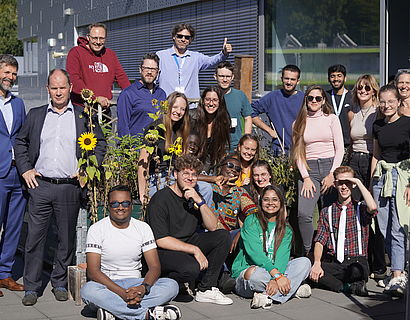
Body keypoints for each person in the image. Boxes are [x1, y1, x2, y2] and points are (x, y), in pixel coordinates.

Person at [14, 69, 107, 306]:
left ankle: (59, 283)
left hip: (69, 187)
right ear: (48, 89)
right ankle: (32, 287)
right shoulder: (35, 115)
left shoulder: (82, 115)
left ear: (70, 87)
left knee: (66, 239)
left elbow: (100, 144)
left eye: (62, 87)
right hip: (40, 186)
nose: (58, 92)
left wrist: (88, 169)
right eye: (54, 88)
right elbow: (20, 142)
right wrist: (25, 169)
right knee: (35, 238)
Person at [80, 185, 181, 320]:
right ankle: (145, 314)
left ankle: (114, 311)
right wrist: (122, 293)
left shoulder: (143, 228)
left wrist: (143, 288)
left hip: (136, 282)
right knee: (88, 291)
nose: (120, 207)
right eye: (115, 203)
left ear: (131, 205)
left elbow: (155, 267)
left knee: (171, 285)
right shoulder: (96, 229)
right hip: (108, 285)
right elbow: (93, 271)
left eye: (125, 203)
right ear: (108, 206)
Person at [146, 154, 233, 305]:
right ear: (175, 174)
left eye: (194, 174)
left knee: (223, 236)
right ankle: (165, 282)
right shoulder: (160, 199)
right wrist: (194, 250)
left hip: (187, 241)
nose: (190, 178)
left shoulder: (194, 196)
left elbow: (212, 226)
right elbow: (161, 240)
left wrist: (200, 202)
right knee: (191, 269)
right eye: (185, 173)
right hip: (164, 250)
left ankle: (206, 289)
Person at [232, 185, 311, 308]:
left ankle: (265, 295)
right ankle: (291, 290)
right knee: (256, 275)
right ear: (260, 202)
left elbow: (282, 258)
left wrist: (275, 279)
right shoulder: (251, 221)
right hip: (252, 271)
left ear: (281, 203)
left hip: (275, 272)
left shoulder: (286, 229)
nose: (270, 203)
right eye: (266, 199)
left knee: (304, 262)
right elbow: (255, 254)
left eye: (275, 199)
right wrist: (278, 276)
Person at [291, 85, 344, 255]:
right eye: (310, 98)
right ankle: (308, 252)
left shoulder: (332, 119)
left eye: (318, 98)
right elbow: (298, 152)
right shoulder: (298, 122)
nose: (314, 101)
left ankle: (329, 251)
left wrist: (332, 174)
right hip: (309, 169)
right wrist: (305, 177)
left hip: (330, 167)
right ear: (306, 100)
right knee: (304, 214)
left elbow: (340, 149)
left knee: (329, 213)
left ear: (323, 101)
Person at [309, 166, 378, 296]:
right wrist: (317, 263)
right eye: (341, 183)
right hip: (336, 262)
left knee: (355, 271)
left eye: (348, 182)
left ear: (353, 184)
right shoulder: (327, 211)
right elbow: (319, 240)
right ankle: (348, 287)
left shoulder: (361, 208)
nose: (344, 186)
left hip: (356, 262)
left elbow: (373, 207)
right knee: (310, 268)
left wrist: (358, 182)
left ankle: (332, 282)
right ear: (335, 184)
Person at [371, 84, 410, 296]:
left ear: (398, 102)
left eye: (390, 101)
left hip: (402, 177)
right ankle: (398, 268)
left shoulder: (407, 124)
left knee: (397, 228)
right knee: (383, 227)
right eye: (383, 101)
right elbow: (376, 155)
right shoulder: (377, 125)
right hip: (381, 177)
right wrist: (371, 183)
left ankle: (397, 275)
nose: (386, 105)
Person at [347, 75, 386, 279]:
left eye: (367, 88)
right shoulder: (353, 114)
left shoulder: (378, 112)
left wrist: (372, 175)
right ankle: (359, 261)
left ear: (373, 91)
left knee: (373, 211)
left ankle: (378, 263)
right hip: (355, 161)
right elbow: (352, 144)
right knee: (356, 211)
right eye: (360, 88)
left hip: (372, 160)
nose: (363, 91)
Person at [0, 54, 26, 297]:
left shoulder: (18, 104)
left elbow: (21, 136)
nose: (10, 77)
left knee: (14, 227)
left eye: (13, 73)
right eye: (6, 72)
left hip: (17, 174)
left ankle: (4, 274)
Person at [156, 23, 232, 106]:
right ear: (174, 36)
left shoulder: (196, 57)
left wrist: (224, 53)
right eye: (180, 36)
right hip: (167, 104)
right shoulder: (161, 56)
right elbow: (152, 77)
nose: (183, 39)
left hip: (191, 106)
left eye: (187, 37)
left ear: (190, 40)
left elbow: (212, 61)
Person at [137, 91, 190, 205]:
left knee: (205, 189)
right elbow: (143, 163)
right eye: (175, 107)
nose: (178, 112)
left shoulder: (182, 130)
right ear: (168, 107)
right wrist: (142, 194)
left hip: (177, 177)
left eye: (182, 109)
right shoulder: (155, 128)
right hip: (158, 178)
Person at [66, 22, 130, 108]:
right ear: (88, 37)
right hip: (82, 108)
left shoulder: (110, 54)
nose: (98, 42)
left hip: (105, 108)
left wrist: (132, 95)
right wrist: (94, 98)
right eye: (95, 38)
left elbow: (121, 77)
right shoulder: (76, 52)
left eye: (102, 38)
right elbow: (74, 79)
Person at [252, 65, 304, 155]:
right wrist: (269, 130)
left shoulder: (304, 98)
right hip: (279, 151)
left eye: (292, 79)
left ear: (298, 81)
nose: (289, 82)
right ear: (281, 79)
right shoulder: (272, 97)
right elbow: (250, 111)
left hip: (301, 150)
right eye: (286, 78)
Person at [117, 53, 166, 137]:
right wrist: (128, 147)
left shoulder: (161, 94)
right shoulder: (128, 94)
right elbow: (123, 126)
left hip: (156, 146)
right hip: (136, 146)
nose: (149, 72)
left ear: (158, 72)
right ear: (140, 69)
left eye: (153, 69)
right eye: (146, 68)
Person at [211, 154, 257, 232]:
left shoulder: (239, 192)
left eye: (238, 169)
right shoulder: (209, 187)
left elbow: (252, 212)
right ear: (220, 167)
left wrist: (242, 232)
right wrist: (213, 179)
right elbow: (192, 178)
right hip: (206, 233)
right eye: (230, 165)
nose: (234, 170)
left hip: (228, 236)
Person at [214, 62, 252, 151]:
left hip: (235, 146)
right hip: (215, 146)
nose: (225, 79)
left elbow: (248, 118)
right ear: (215, 76)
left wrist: (245, 142)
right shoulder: (210, 95)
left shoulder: (240, 95)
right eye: (221, 76)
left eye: (228, 76)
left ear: (232, 77)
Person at [192, 86, 231, 174]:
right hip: (191, 166)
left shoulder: (224, 121)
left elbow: (222, 149)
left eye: (215, 100)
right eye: (208, 99)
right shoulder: (192, 117)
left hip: (210, 168)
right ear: (202, 100)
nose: (211, 103)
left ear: (220, 102)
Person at [325, 64, 353, 150]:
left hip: (348, 145)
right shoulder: (324, 96)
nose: (336, 79)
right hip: (329, 146)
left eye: (339, 76)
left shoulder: (352, 96)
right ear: (328, 79)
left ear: (345, 78)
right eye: (332, 76)